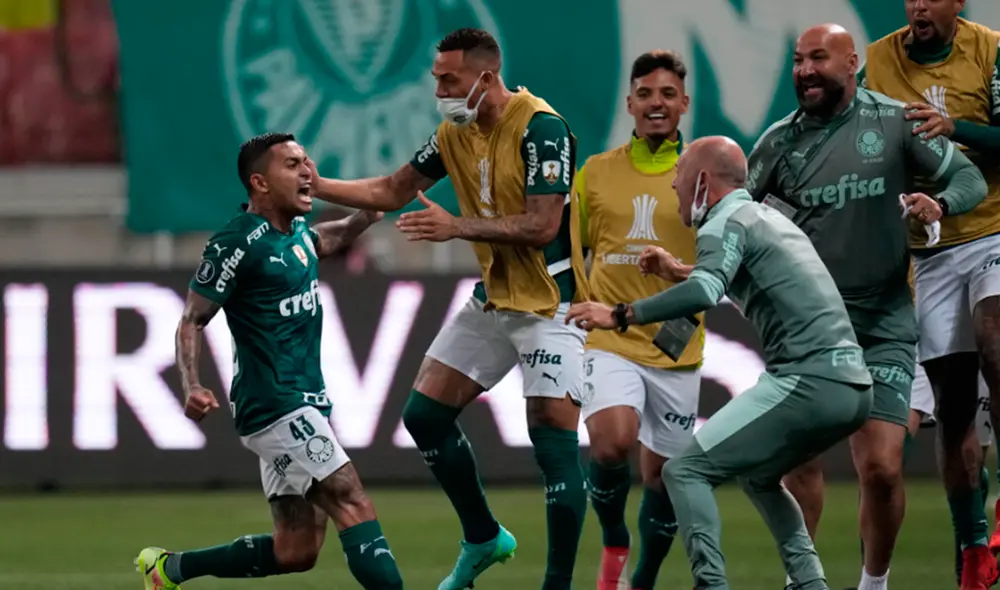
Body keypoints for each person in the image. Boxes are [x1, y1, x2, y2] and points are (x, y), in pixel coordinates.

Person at [306, 28, 590, 590]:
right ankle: (483, 537)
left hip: (552, 304)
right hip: (495, 299)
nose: (439, 91)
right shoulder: (454, 133)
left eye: (448, 80)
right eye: (436, 79)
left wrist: (456, 226)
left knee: (551, 440)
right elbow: (393, 190)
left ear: (485, 77)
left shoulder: (542, 129)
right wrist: (316, 185)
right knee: (424, 416)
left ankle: (557, 584)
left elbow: (543, 226)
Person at [565, 135, 874, 590]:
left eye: (680, 175)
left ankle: (711, 584)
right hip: (853, 385)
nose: (674, 185)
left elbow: (707, 291)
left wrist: (620, 314)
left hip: (806, 379)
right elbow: (734, 274)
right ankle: (810, 584)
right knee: (760, 475)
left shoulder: (720, 223)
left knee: (682, 471)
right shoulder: (765, 217)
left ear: (703, 181)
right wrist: (679, 271)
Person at [746, 23, 988, 590]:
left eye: (819, 58)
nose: (805, 70)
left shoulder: (895, 123)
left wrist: (940, 203)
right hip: (809, 328)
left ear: (852, 64)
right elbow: (736, 214)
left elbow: (970, 178)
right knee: (799, 462)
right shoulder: (777, 144)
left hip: (883, 324)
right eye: (798, 60)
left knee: (880, 469)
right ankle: (802, 581)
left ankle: (872, 584)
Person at [135, 133, 401, 590]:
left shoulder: (295, 231)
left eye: (305, 161)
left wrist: (364, 217)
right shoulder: (236, 243)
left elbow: (320, 242)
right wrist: (191, 384)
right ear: (259, 182)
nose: (307, 171)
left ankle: (168, 569)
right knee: (350, 498)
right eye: (292, 165)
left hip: (304, 401)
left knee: (295, 550)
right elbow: (192, 319)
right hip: (275, 404)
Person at [859, 3, 1000, 586]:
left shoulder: (990, 50)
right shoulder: (878, 61)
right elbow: (857, 140)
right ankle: (972, 546)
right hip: (929, 252)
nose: (918, 5)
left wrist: (955, 127)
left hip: (993, 228)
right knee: (954, 405)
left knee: (996, 340)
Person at [571, 49, 701, 590]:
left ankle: (642, 578)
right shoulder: (596, 173)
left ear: (684, 103)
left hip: (676, 342)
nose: (656, 103)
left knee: (664, 478)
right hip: (610, 336)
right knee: (611, 444)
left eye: (667, 94)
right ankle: (613, 537)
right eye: (645, 94)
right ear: (629, 103)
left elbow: (724, 259)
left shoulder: (704, 175)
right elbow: (569, 249)